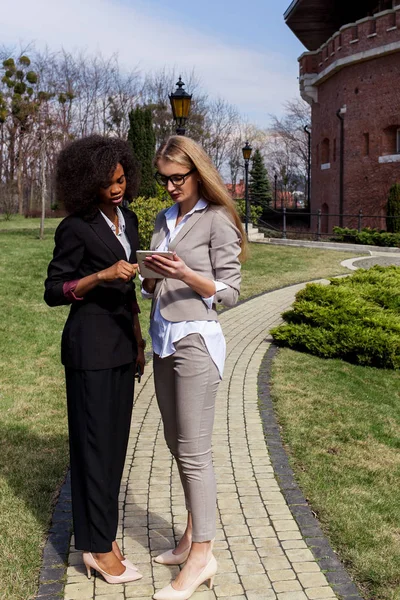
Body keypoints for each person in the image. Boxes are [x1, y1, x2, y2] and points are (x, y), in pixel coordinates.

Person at [141, 136, 246, 600]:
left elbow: (229, 292)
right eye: (163, 178)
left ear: (197, 173)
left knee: (195, 452)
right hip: (163, 341)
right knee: (175, 445)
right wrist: (149, 275)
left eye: (177, 178)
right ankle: (189, 537)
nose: (169, 187)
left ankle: (203, 556)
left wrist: (184, 273)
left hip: (196, 343)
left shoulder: (218, 219)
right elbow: (152, 287)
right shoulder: (164, 220)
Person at [44, 135, 145, 584]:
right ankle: (95, 547)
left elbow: (134, 288)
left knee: (114, 448)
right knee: (93, 448)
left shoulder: (131, 219)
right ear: (89, 185)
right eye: (107, 184)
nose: (117, 188)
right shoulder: (75, 227)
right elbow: (54, 291)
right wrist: (100, 275)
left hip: (124, 347)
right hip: (90, 350)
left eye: (121, 179)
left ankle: (102, 534)